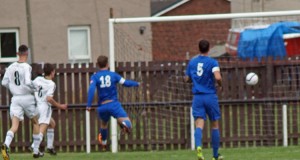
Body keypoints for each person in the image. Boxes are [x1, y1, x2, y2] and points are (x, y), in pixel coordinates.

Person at [86, 55, 140, 150]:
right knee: (129, 124)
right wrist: (137, 83)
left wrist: (89, 105)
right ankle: (124, 124)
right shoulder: (113, 75)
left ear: (98, 65)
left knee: (104, 124)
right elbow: (125, 83)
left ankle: (103, 143)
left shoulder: (95, 77)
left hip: (102, 107)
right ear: (107, 64)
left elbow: (91, 89)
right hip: (113, 104)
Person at [185, 40, 223, 160]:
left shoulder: (192, 62)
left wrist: (194, 80)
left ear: (199, 48)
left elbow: (186, 79)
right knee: (215, 125)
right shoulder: (212, 62)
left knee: (199, 125)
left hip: (198, 97)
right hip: (210, 96)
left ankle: (199, 148)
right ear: (209, 48)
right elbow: (217, 77)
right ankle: (215, 155)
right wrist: (220, 84)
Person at [1, 45, 41, 159]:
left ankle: (6, 144)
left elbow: (4, 82)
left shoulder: (11, 67)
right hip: (26, 98)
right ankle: (36, 150)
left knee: (14, 126)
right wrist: (35, 88)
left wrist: (13, 88)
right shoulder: (26, 67)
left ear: (17, 53)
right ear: (27, 54)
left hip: (15, 98)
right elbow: (28, 82)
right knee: (35, 122)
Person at [31, 63, 67, 157]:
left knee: (52, 124)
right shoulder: (51, 84)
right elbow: (49, 99)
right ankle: (34, 146)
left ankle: (50, 147)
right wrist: (60, 106)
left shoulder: (38, 79)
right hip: (44, 107)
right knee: (42, 129)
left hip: (36, 106)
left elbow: (30, 87)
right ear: (52, 72)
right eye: (54, 72)